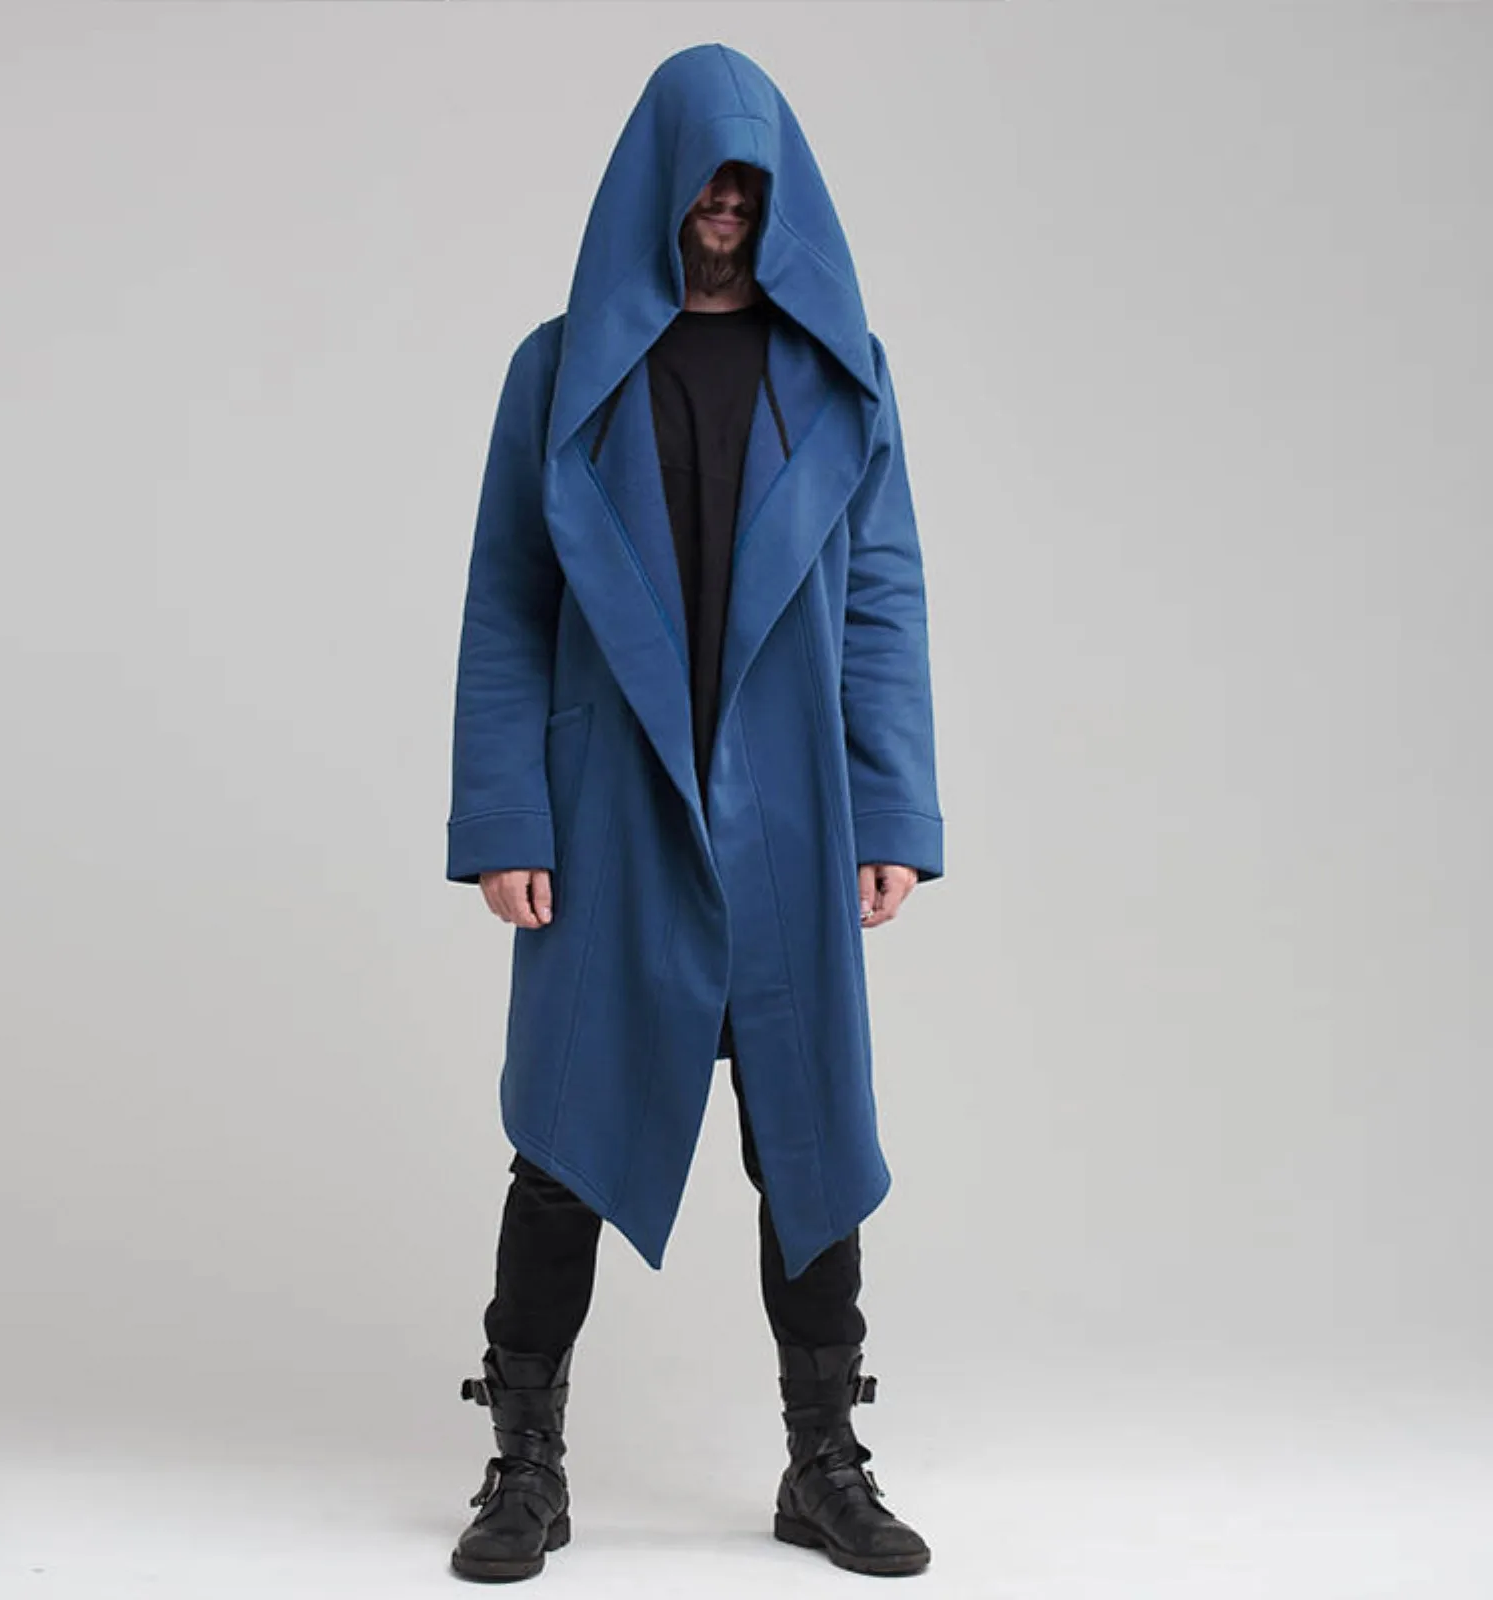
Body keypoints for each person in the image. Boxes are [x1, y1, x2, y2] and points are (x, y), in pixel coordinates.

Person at [444, 43, 943, 1582]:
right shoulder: (558, 370)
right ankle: (523, 1463)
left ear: (779, 196)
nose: (726, 199)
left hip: (789, 809)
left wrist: (890, 809)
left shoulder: (840, 367)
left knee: (809, 1139)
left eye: (750, 178)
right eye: (705, 175)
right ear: (657, 186)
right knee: (566, 1137)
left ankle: (823, 1459)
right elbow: (508, 600)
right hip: (612, 808)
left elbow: (880, 596)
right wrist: (506, 819)